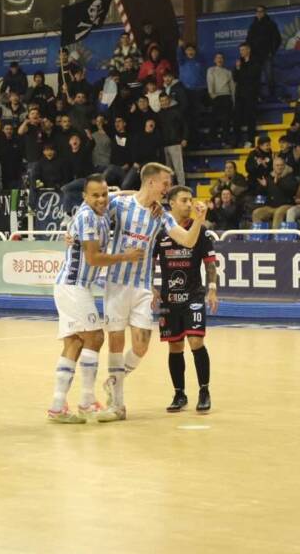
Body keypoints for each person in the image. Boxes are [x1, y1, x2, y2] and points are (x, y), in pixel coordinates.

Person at [98, 163, 208, 422]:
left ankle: (114, 380)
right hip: (116, 283)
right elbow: (93, 207)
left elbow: (188, 240)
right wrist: (72, 235)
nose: (167, 188)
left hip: (142, 286)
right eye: (165, 183)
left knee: (141, 345)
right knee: (116, 342)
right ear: (150, 182)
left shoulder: (161, 215)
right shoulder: (120, 204)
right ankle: (117, 404)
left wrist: (199, 220)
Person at [48, 175, 141, 424]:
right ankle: (87, 401)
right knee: (96, 337)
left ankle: (57, 406)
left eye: (104, 194)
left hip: (75, 285)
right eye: (95, 195)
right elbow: (93, 258)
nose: (101, 199)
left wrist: (142, 197)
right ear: (85, 197)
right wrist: (126, 256)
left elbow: (126, 195)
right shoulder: (87, 217)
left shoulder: (101, 209)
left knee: (74, 343)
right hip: (73, 285)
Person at [152, 186, 218, 414]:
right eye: (184, 200)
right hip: (169, 298)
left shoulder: (201, 231)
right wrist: (151, 286)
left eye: (190, 200)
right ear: (171, 203)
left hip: (193, 296)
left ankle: (204, 391)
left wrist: (212, 289)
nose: (189, 204)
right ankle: (179, 394)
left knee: (196, 342)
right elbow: (150, 261)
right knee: (175, 345)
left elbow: (210, 264)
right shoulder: (160, 231)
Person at [252, 157, 299, 229]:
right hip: (271, 207)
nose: (279, 167)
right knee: (256, 213)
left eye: (281, 165)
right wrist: (263, 187)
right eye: (277, 165)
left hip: (286, 205)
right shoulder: (269, 178)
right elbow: (261, 194)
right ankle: (261, 234)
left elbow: (292, 191)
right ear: (273, 167)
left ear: (284, 166)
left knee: (278, 213)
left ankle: (275, 235)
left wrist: (279, 182)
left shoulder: (290, 177)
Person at [246, 5, 281, 101]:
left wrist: (272, 51)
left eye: (261, 11)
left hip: (267, 55)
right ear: (256, 13)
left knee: (269, 76)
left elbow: (277, 39)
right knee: (256, 77)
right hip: (255, 56)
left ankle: (272, 96)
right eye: (257, 11)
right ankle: (258, 96)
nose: (259, 13)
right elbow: (248, 40)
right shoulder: (253, 25)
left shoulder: (271, 24)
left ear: (265, 12)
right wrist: (249, 52)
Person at [232, 42, 261, 147]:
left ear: (248, 50)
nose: (241, 52)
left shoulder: (255, 62)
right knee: (236, 118)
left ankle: (250, 139)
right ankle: (236, 140)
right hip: (240, 94)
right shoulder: (239, 63)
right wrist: (238, 68)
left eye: (243, 50)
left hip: (251, 94)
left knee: (250, 117)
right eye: (240, 50)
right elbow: (235, 78)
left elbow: (251, 76)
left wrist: (241, 72)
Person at [158, 92, 187, 185]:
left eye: (165, 100)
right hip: (164, 145)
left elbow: (185, 125)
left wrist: (184, 138)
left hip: (175, 144)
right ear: (159, 102)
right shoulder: (158, 115)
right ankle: (170, 190)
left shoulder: (177, 112)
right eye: (162, 101)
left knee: (179, 169)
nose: (164, 102)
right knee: (168, 171)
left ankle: (182, 188)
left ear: (169, 100)